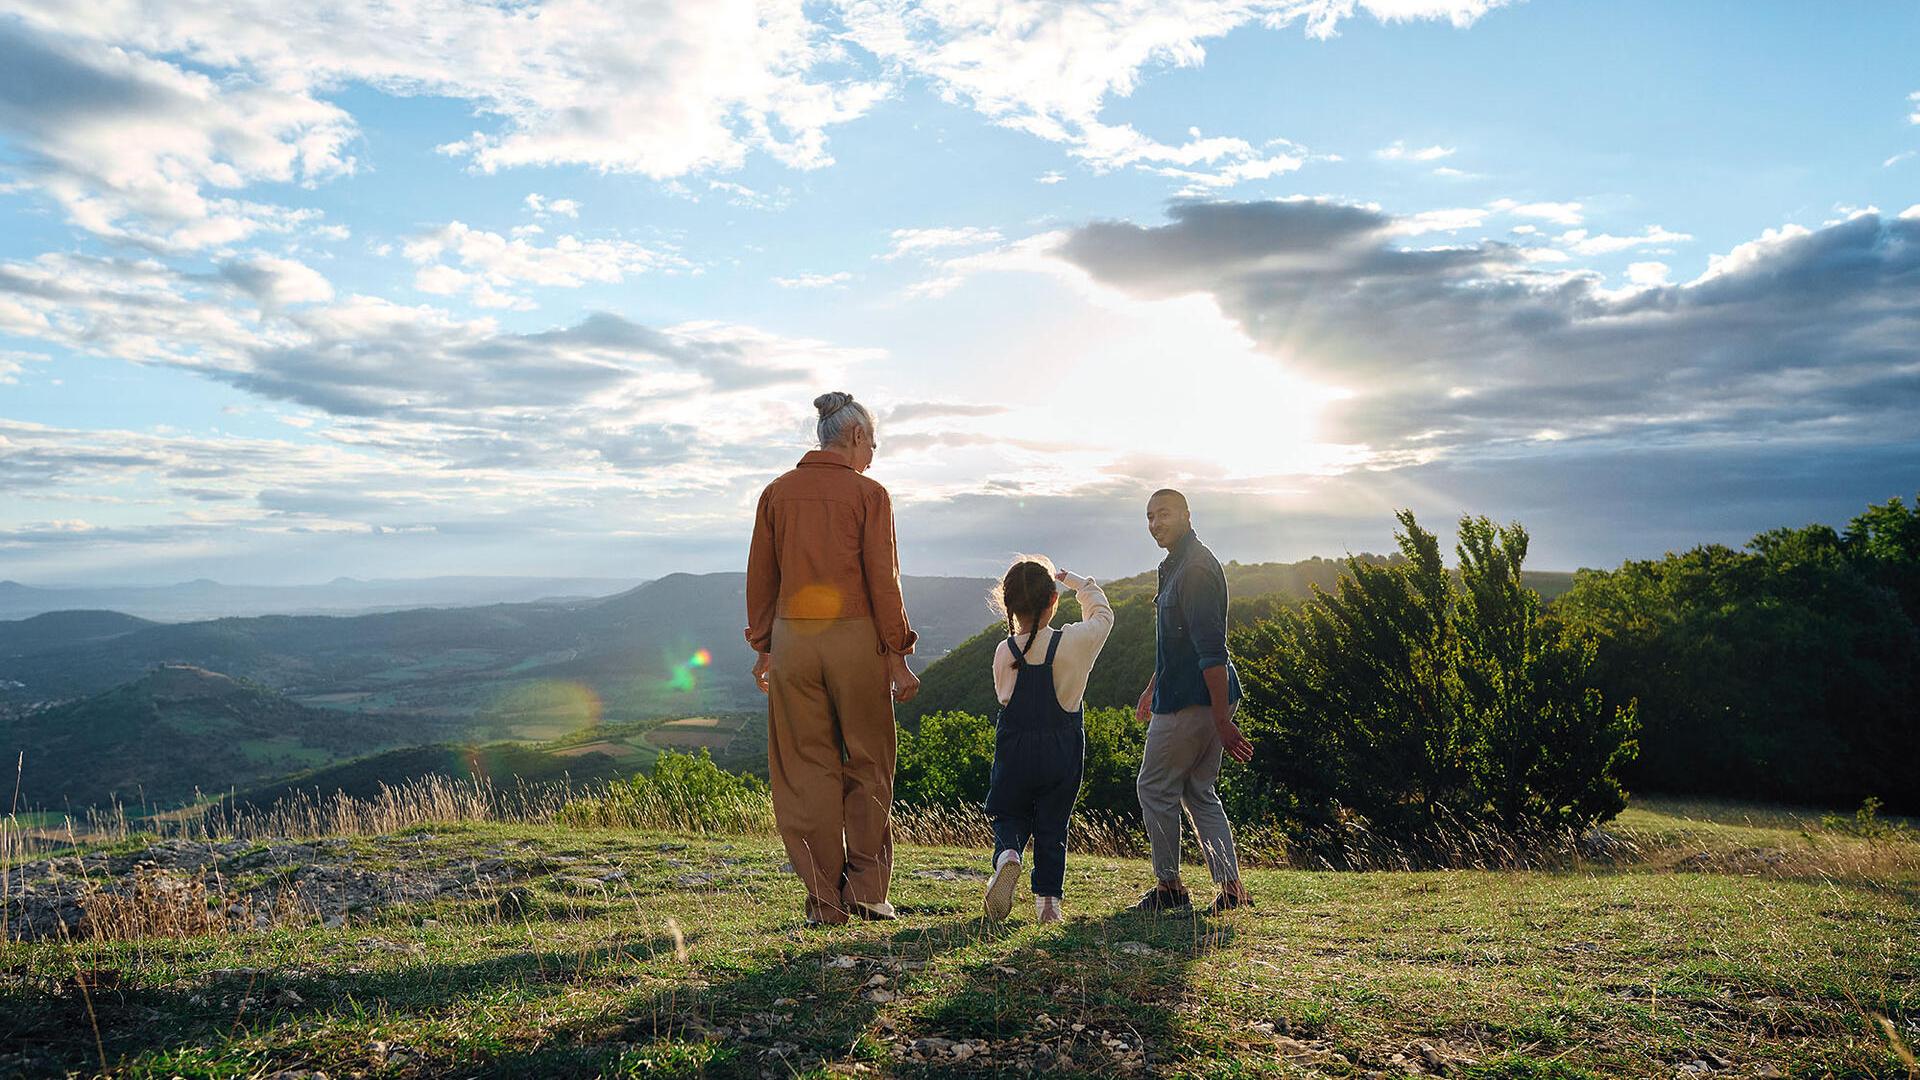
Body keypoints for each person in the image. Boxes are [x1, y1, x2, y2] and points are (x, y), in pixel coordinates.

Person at [745, 392, 920, 925]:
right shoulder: (870, 495)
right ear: (853, 438)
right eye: (872, 442)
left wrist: (765, 647)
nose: (874, 453)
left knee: (805, 770)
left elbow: (761, 578)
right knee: (869, 761)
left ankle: (824, 899)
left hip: (794, 639)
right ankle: (866, 890)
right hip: (855, 638)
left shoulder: (776, 493)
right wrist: (898, 654)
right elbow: (882, 581)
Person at [1133, 489, 1256, 915]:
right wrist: (1152, 687)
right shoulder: (1175, 565)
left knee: (1154, 787)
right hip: (1190, 693)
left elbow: (1210, 650)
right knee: (1198, 792)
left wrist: (1222, 719)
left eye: (1163, 514)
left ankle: (1169, 887)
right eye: (1149, 517)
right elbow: (1176, 643)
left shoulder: (1197, 568)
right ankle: (1232, 888)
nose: (1155, 524)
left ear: (1186, 515)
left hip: (1192, 700)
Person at [981, 558, 1114, 924]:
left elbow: (1003, 698)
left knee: (1010, 812)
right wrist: (1077, 582)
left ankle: (1008, 854)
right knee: (1053, 825)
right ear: (1053, 599)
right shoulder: (1074, 642)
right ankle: (1049, 904)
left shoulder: (1003, 652)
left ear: (1008, 607)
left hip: (1015, 747)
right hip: (1062, 748)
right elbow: (1103, 616)